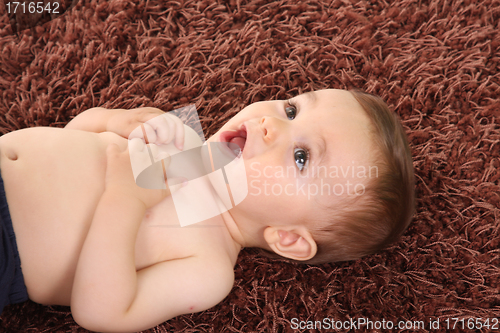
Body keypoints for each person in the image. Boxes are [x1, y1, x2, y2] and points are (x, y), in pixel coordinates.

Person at [0, 89, 414, 332]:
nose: (273, 124)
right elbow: (73, 135)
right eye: (292, 109)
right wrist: (117, 122)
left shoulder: (209, 268)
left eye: (302, 156)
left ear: (287, 236)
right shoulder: (184, 143)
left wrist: (124, 198)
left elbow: (102, 312)